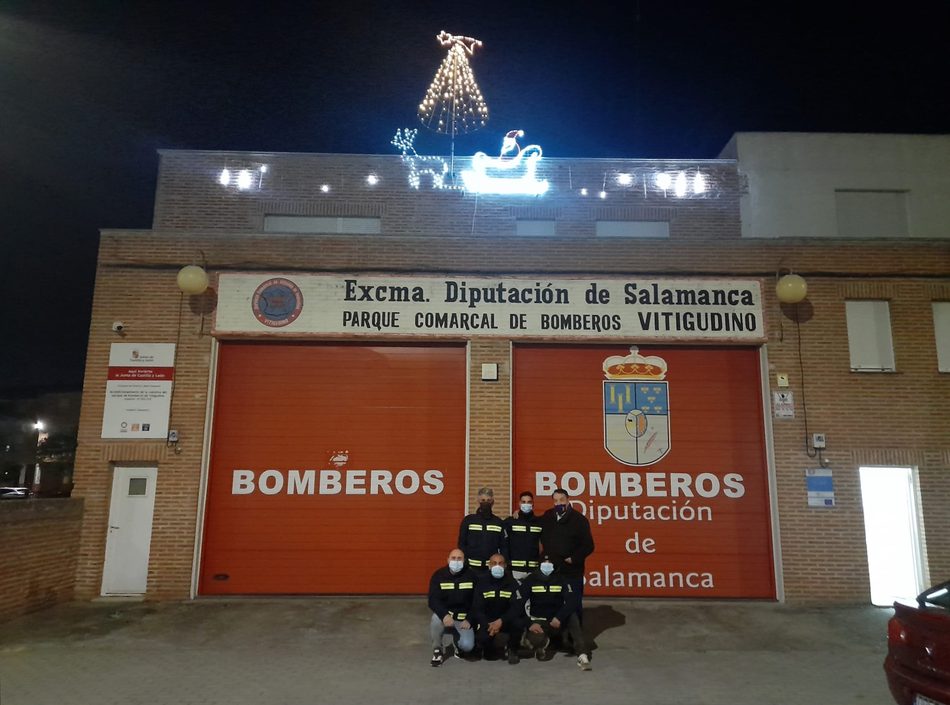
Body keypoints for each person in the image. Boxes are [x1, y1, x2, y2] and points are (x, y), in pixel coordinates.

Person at [521, 555, 592, 670]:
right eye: (544, 562)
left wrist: (559, 617)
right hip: (539, 621)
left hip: (557, 620)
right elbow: (518, 605)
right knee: (536, 640)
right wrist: (529, 623)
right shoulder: (530, 580)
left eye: (550, 562)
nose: (547, 564)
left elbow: (572, 601)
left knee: (572, 617)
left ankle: (582, 654)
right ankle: (539, 643)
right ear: (539, 564)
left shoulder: (561, 579)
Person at [540, 487, 594, 621]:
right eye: (556, 501)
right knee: (554, 605)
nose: (559, 503)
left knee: (573, 606)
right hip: (552, 572)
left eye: (562, 500)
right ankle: (557, 637)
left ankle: (576, 639)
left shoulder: (579, 520)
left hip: (571, 573)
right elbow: (533, 523)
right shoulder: (548, 516)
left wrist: (573, 558)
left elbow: (588, 545)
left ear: (568, 500)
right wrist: (518, 513)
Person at [472, 553, 525, 664]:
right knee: (482, 641)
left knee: (519, 622)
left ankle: (512, 649)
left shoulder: (512, 583)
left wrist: (501, 621)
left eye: (500, 563)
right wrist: (488, 623)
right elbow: (477, 608)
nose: (497, 566)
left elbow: (517, 607)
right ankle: (488, 648)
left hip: (505, 620)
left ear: (505, 566)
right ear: (489, 566)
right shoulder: (481, 583)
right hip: (488, 622)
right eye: (494, 563)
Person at [427, 548, 477, 666]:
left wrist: (469, 619)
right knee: (435, 618)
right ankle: (437, 650)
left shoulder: (472, 576)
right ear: (448, 560)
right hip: (446, 616)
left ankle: (457, 643)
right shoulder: (438, 575)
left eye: (459, 558)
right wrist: (444, 615)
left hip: (463, 619)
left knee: (467, 646)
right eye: (453, 558)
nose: (456, 561)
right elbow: (433, 600)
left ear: (464, 561)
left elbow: (477, 601)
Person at [457, 487, 506, 573]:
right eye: (483, 500)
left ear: (492, 501)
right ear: (478, 500)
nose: (485, 502)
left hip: (491, 569)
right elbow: (461, 543)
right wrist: (465, 563)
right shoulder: (468, 520)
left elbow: (503, 546)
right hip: (470, 568)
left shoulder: (498, 522)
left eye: (488, 500)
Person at [504, 490, 542, 581]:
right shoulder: (510, 522)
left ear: (533, 504)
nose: (526, 504)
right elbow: (503, 544)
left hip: (533, 570)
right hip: (515, 570)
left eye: (529, 502)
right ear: (519, 503)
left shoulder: (539, 522)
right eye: (523, 502)